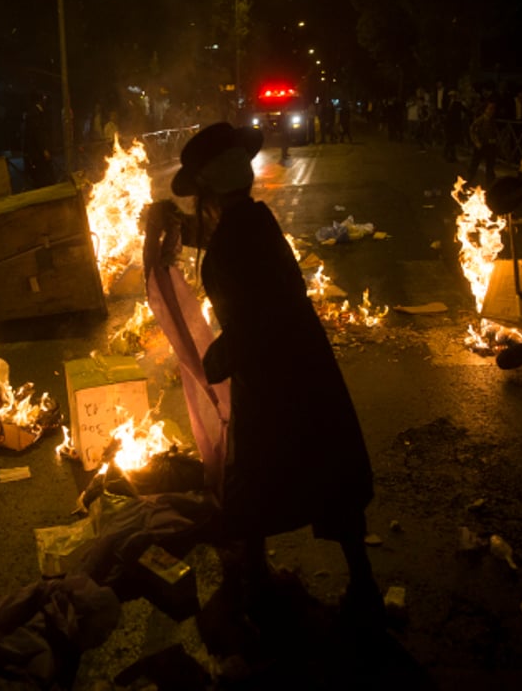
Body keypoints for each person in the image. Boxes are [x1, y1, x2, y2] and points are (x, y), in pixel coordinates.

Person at [145, 122, 384, 631]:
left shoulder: (237, 237)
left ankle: (254, 588)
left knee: (251, 481)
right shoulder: (253, 219)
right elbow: (222, 243)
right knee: (326, 469)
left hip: (270, 375)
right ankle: (361, 586)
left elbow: (256, 310)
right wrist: (174, 230)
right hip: (304, 366)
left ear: (207, 190)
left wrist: (219, 357)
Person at [22, 92, 55, 188]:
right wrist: (44, 149)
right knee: (41, 175)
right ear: (40, 100)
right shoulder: (35, 113)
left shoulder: (35, 112)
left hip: (36, 150)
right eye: (44, 98)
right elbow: (37, 132)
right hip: (37, 152)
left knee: (42, 174)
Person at [468, 100, 500, 186]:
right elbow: (472, 130)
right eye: (489, 108)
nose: (491, 111)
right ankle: (468, 182)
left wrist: (496, 141)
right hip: (481, 146)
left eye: (493, 109)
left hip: (490, 146)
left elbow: (496, 133)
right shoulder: (480, 120)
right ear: (485, 109)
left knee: (490, 167)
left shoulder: (493, 121)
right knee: (474, 165)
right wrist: (477, 142)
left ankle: (489, 184)